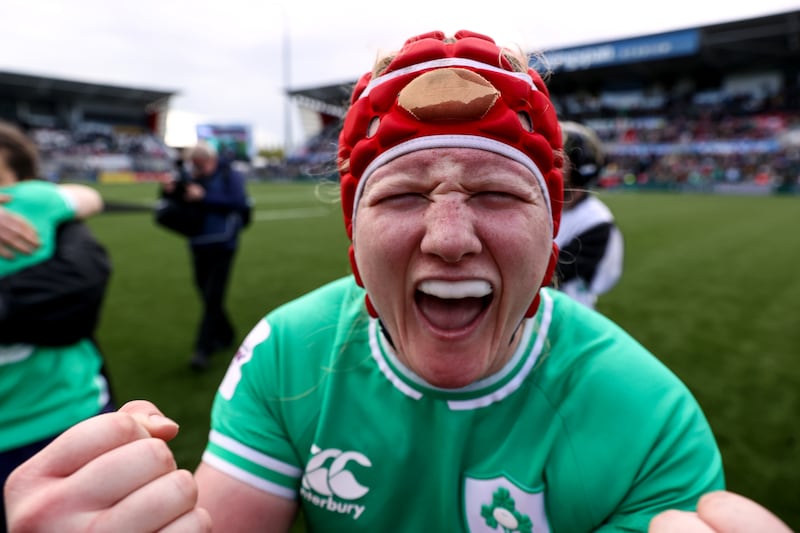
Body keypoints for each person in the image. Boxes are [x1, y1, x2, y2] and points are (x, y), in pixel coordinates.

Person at [7, 29, 783, 532]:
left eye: (497, 192)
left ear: (554, 232)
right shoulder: (287, 353)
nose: (449, 240)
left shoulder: (646, 416)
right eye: (404, 194)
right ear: (355, 235)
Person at [0, 121, 114, 531]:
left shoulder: (29, 201)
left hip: (61, 413)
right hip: (66, 411)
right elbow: (88, 196)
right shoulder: (35, 199)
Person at [158, 142, 250, 371]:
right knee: (205, 292)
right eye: (194, 164)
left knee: (212, 297)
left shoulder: (231, 175)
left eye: (200, 164)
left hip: (224, 244)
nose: (197, 169)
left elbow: (238, 202)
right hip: (198, 242)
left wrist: (204, 196)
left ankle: (203, 349)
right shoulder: (190, 175)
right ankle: (227, 334)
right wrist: (169, 190)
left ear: (211, 160)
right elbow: (178, 201)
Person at [553, 120, 624, 309]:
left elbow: (558, 274)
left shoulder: (595, 221)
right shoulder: (541, 205)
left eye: (559, 160)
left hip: (562, 314)